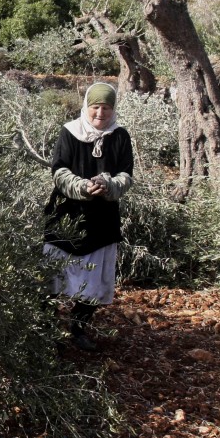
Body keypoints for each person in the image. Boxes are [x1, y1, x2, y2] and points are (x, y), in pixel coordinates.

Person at [42, 82, 134, 351]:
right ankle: (45, 329)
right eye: (95, 107)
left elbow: (126, 174)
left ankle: (79, 329)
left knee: (93, 282)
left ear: (112, 109)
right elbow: (59, 171)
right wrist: (82, 186)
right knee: (52, 278)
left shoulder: (120, 136)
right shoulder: (70, 132)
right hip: (64, 217)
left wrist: (109, 185)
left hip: (101, 220)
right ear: (87, 107)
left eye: (106, 108)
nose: (100, 113)